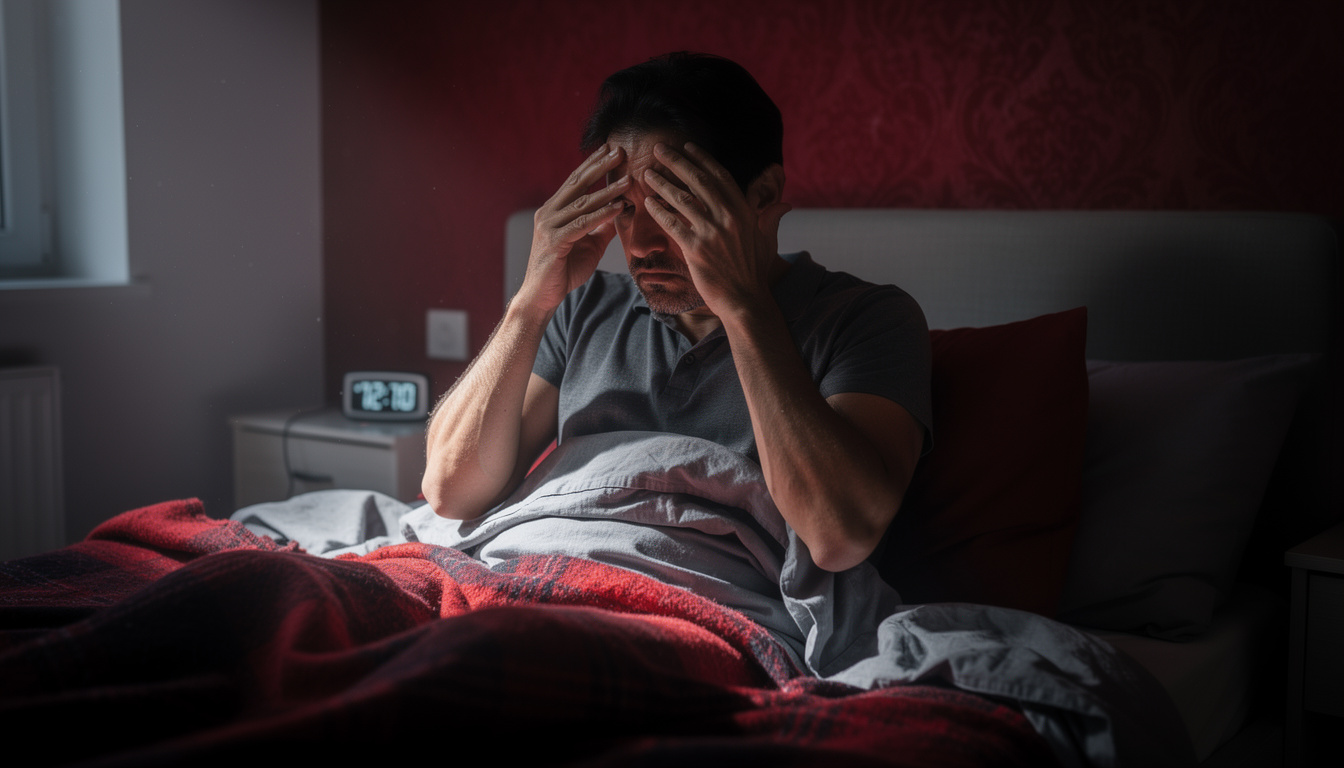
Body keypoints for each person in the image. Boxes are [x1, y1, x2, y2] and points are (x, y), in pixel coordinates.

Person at [421, 52, 930, 574]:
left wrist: (744, 307)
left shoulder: (867, 319)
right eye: (625, 208)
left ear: (765, 194)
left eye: (673, 205)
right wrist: (530, 303)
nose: (639, 245)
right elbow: (451, 492)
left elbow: (838, 536)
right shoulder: (583, 309)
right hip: (539, 571)